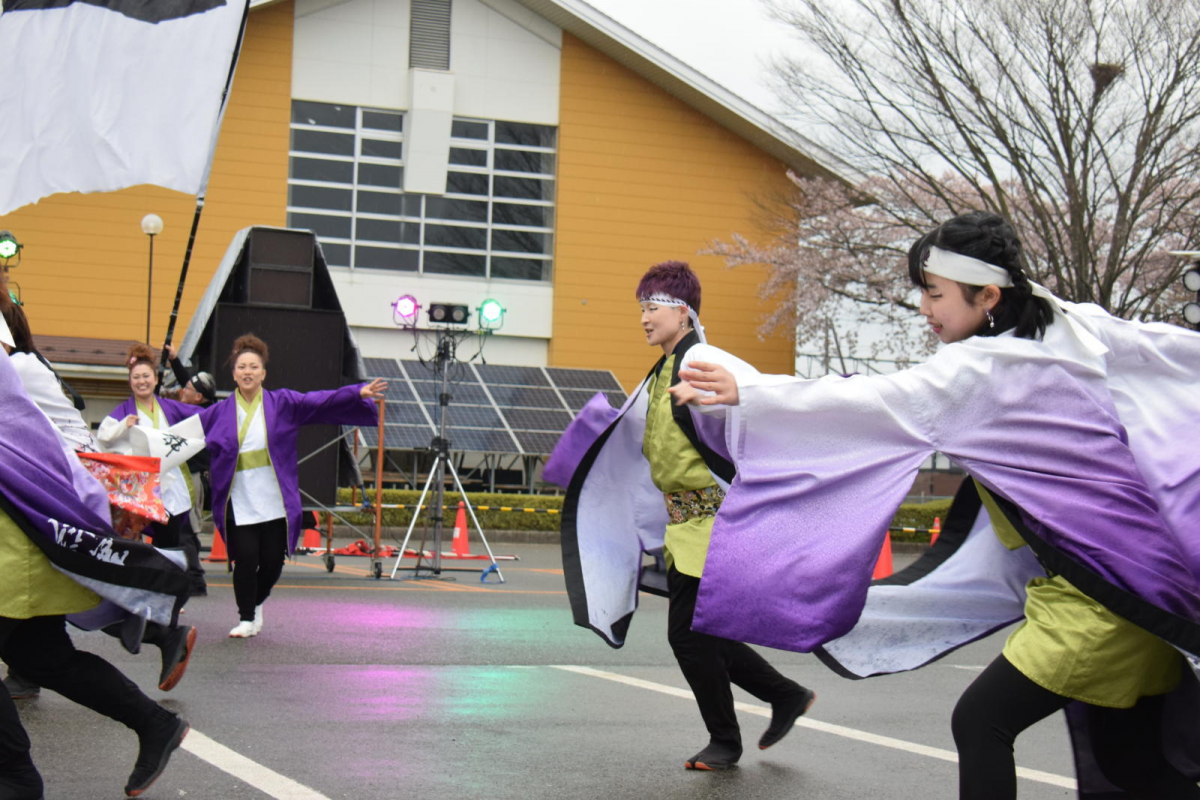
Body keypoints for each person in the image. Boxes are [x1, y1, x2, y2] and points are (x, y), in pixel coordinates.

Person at [672, 212, 1200, 797]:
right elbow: (1167, 347)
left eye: (935, 293)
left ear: (989, 295)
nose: (923, 307)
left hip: (1101, 599)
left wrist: (753, 391)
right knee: (1136, 761)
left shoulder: (975, 372)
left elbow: (875, 399)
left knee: (982, 722)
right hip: (1145, 585)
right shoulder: (1066, 325)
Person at [546, 261, 815, 772]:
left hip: (717, 523)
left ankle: (726, 740)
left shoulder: (704, 358)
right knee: (703, 633)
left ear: (684, 313)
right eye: (641, 308)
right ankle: (785, 695)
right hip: (685, 527)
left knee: (687, 636)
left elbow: (761, 400)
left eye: (654, 307)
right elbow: (638, 443)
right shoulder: (660, 373)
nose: (644, 318)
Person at [0, 325, 192, 799]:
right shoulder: (15, 365)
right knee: (41, 656)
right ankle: (154, 723)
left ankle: (15, 777)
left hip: (14, 535)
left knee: (42, 654)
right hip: (22, 531)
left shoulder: (15, 368)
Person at [193, 333, 385, 638]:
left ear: (263, 373)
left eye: (253, 367)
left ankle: (256, 604)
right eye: (241, 367)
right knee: (245, 559)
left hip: (275, 498)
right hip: (239, 498)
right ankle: (245, 618)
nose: (247, 372)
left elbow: (319, 401)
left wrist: (356, 393)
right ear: (233, 374)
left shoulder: (282, 402)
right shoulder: (219, 412)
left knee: (272, 562)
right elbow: (187, 431)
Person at [98, 344, 207, 596]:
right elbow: (104, 436)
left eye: (146, 376)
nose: (141, 381)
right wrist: (124, 426)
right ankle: (148, 589)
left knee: (169, 541)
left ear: (156, 379)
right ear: (130, 382)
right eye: (136, 377)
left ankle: (167, 589)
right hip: (141, 488)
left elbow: (200, 417)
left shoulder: (169, 408)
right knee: (138, 540)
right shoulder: (125, 411)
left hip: (172, 485)